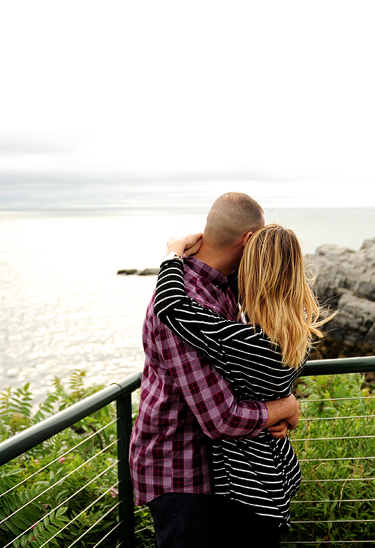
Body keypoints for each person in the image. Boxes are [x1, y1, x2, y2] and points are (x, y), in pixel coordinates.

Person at [128, 193, 300, 548]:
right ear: (250, 240)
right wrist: (283, 407)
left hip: (217, 465)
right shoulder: (183, 308)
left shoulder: (223, 287)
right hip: (180, 467)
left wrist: (175, 252)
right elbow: (221, 418)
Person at [153, 224, 332, 545]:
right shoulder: (296, 336)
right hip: (274, 473)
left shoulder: (244, 342)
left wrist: (174, 250)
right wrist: (286, 404)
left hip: (247, 489)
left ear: (253, 275)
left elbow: (170, 307)